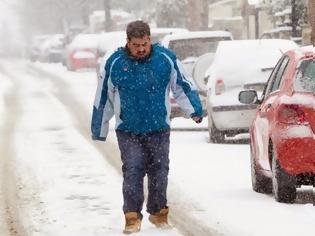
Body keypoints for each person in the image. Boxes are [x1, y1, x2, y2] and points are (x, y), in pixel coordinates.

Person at [91, 20, 203, 234]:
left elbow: (182, 85)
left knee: (159, 171)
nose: (141, 49)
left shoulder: (165, 60)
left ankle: (158, 212)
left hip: (158, 128)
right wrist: (99, 127)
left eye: (144, 44)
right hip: (128, 129)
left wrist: (194, 110)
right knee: (133, 169)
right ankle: (132, 217)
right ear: (128, 42)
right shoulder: (115, 63)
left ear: (149, 39)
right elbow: (104, 97)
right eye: (136, 45)